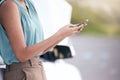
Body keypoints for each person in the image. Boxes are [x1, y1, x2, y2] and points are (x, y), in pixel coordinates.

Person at [0, 0, 85, 80]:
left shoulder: (29, 4)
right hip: (22, 72)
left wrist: (64, 34)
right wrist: (60, 34)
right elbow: (22, 55)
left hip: (37, 68)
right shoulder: (9, 6)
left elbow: (40, 50)